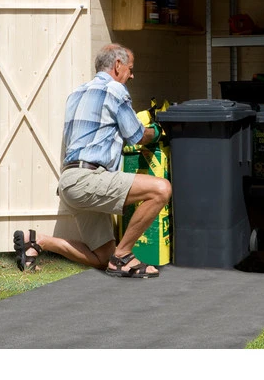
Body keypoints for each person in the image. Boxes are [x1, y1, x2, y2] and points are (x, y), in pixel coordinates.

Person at [13, 43, 172, 278]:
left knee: (102, 258)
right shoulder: (115, 90)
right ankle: (124, 256)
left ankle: (37, 241)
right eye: (130, 69)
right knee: (161, 189)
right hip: (90, 179)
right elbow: (137, 136)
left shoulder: (76, 94)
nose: (132, 75)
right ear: (117, 65)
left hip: (70, 182)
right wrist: (159, 131)